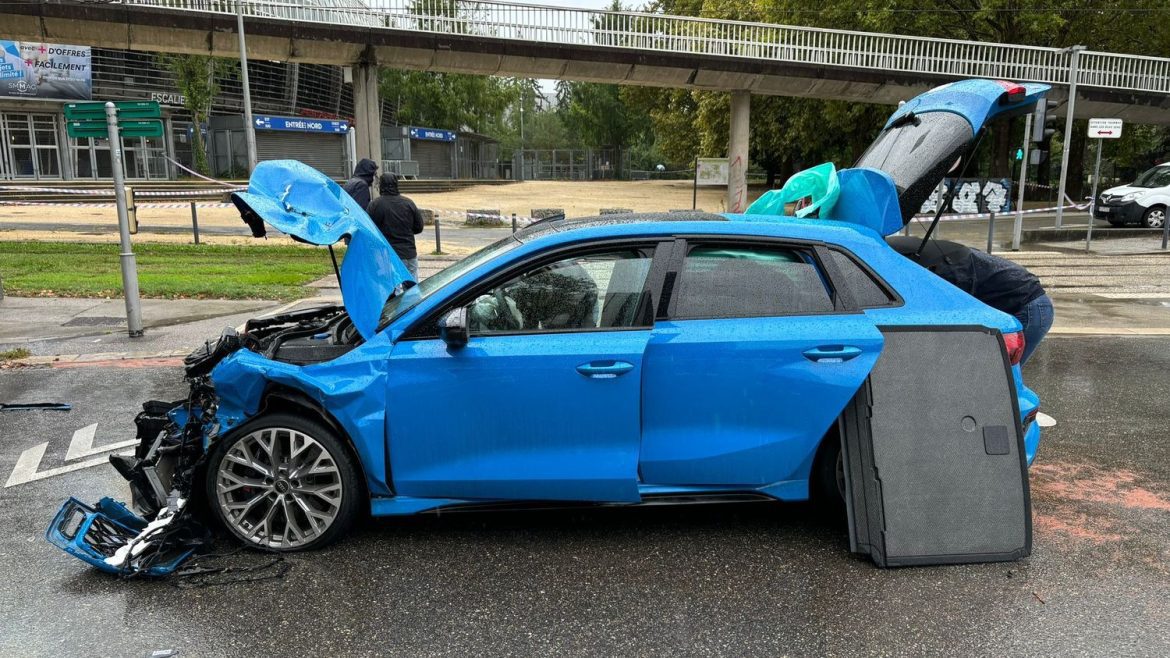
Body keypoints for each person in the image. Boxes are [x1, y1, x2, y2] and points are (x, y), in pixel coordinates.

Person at [887, 236, 1054, 365]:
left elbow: (959, 317)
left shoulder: (952, 271)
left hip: (1031, 308)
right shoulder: (944, 255)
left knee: (1004, 379)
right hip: (1023, 301)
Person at [366, 172, 424, 279]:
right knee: (412, 287)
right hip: (408, 252)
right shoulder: (408, 203)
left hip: (386, 254)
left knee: (392, 289)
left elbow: (368, 228)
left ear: (381, 185)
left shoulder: (375, 205)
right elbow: (419, 227)